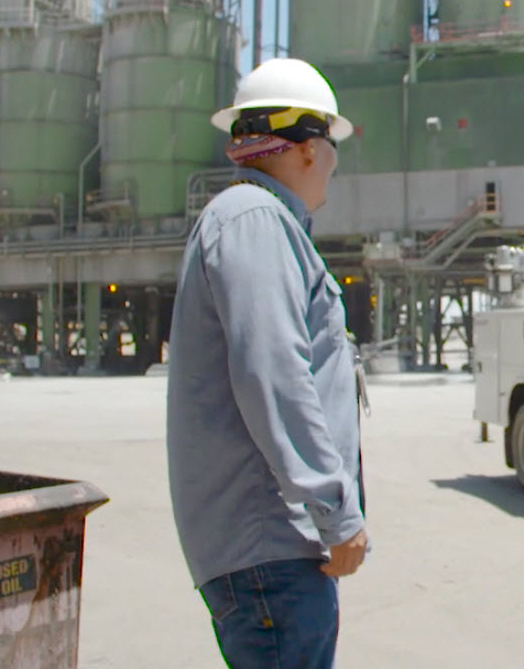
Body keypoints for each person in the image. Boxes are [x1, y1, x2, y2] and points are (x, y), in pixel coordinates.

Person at [167, 57, 366, 669]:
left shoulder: (260, 223)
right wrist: (336, 512)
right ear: (308, 149)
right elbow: (274, 374)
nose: (334, 162)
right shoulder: (255, 221)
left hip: (271, 551)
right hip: (272, 551)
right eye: (333, 146)